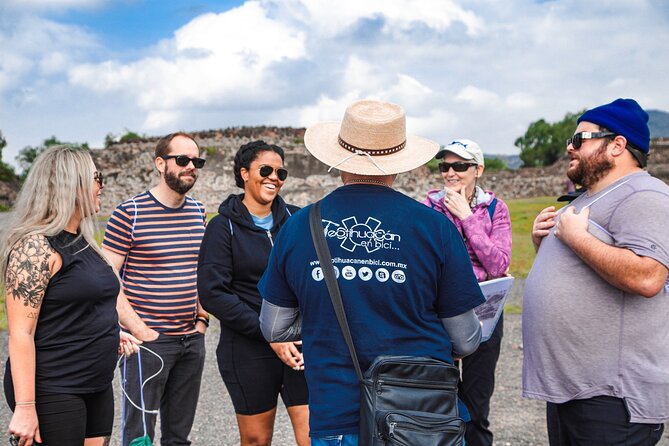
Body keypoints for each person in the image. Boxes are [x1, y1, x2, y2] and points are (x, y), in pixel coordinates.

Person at [257, 99, 485, 445]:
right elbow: (466, 339)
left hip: (337, 415)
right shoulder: (435, 227)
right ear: (398, 163)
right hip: (422, 416)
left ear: (341, 157)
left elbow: (274, 326)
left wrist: (328, 315)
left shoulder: (298, 227)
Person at [523, 98, 669, 445]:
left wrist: (575, 239)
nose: (569, 148)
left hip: (612, 400)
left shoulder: (645, 196)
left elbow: (648, 276)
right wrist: (546, 246)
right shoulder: (591, 197)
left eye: (579, 139)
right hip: (576, 391)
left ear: (617, 145)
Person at [2, 145, 139, 446]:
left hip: (96, 385)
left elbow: (79, 306)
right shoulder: (35, 247)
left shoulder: (83, 241)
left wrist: (107, 333)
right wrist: (25, 408)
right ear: (71, 184)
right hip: (55, 387)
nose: (102, 185)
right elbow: (21, 334)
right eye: (96, 177)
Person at [197, 140, 310, 445]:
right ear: (245, 173)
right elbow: (213, 293)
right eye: (265, 169)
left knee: (313, 437)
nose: (274, 177)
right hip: (248, 348)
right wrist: (270, 334)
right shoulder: (222, 227)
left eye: (280, 172)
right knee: (257, 440)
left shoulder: (299, 221)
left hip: (299, 345)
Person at [102, 132, 208, 445]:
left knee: (178, 436)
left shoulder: (198, 211)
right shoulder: (128, 214)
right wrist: (142, 331)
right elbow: (109, 280)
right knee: (139, 435)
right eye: (183, 160)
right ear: (160, 163)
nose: (191, 166)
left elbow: (201, 270)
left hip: (191, 341)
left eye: (196, 161)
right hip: (147, 343)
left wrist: (202, 322)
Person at [421, 139, 512, 446]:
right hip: (441, 313)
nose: (450, 172)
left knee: (476, 402)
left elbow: (499, 264)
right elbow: (427, 262)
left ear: (478, 170)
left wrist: (467, 217)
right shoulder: (428, 207)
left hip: (484, 311)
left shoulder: (496, 208)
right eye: (444, 166)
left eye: (459, 166)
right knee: (440, 401)